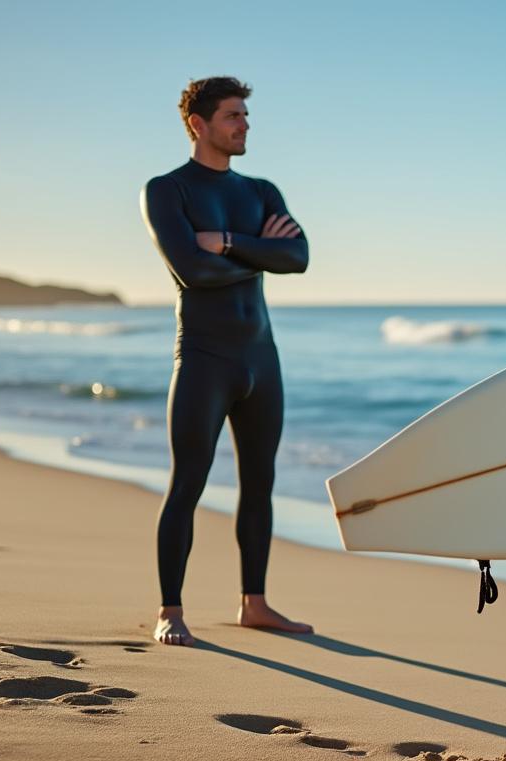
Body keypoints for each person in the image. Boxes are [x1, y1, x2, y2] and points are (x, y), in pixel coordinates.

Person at [139, 76, 313, 646]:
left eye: (245, 115)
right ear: (199, 124)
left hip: (261, 358)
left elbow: (299, 256)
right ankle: (170, 610)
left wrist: (229, 242)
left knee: (260, 484)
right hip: (204, 359)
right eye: (233, 116)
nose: (245, 125)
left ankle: (254, 604)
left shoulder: (261, 191)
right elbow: (193, 270)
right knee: (187, 483)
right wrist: (262, 251)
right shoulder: (167, 191)